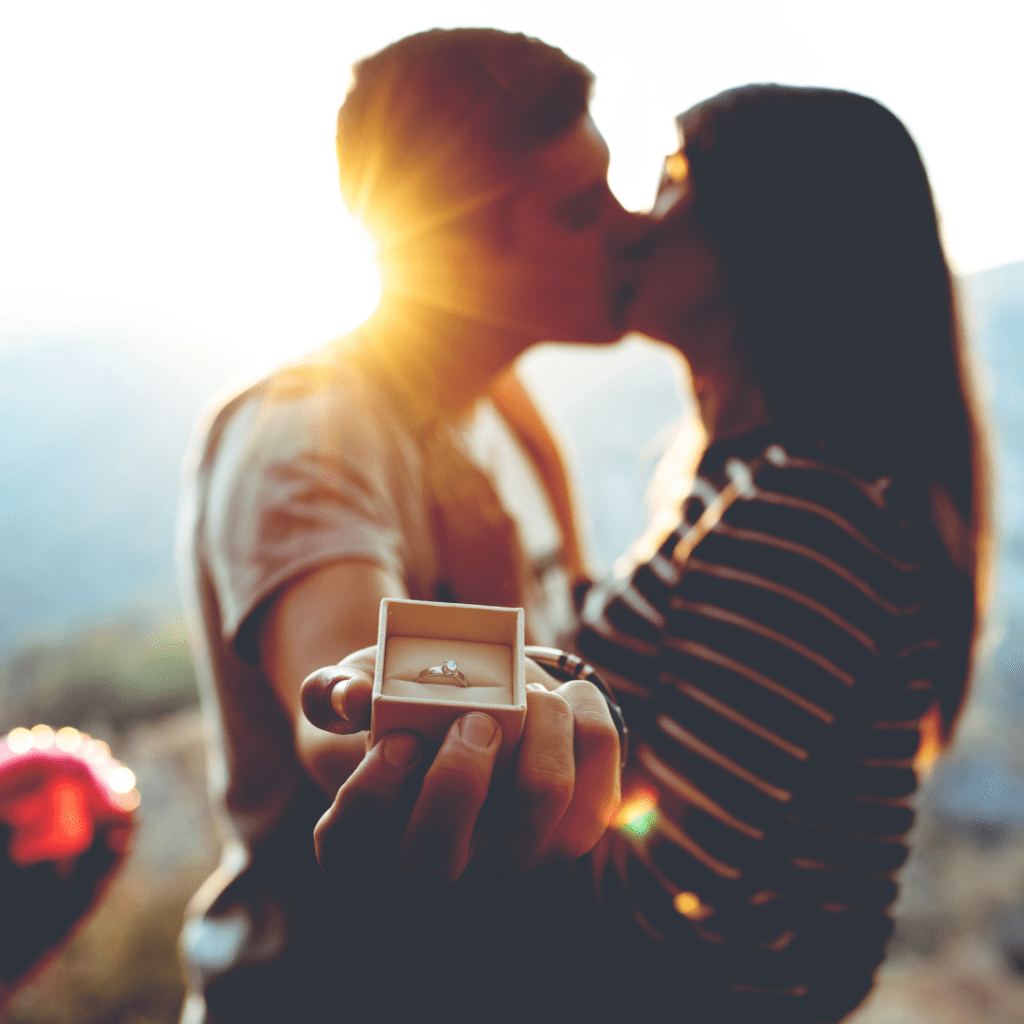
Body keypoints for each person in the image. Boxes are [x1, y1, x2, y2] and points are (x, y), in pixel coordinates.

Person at [176, 28, 628, 1024]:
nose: (627, 228)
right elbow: (343, 677)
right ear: (454, 242)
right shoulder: (305, 431)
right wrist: (438, 704)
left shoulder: (505, 406)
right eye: (579, 208)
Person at [573, 84, 990, 1023]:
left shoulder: (809, 509)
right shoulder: (750, 484)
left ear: (776, 232)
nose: (638, 221)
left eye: (676, 177)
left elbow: (662, 879)